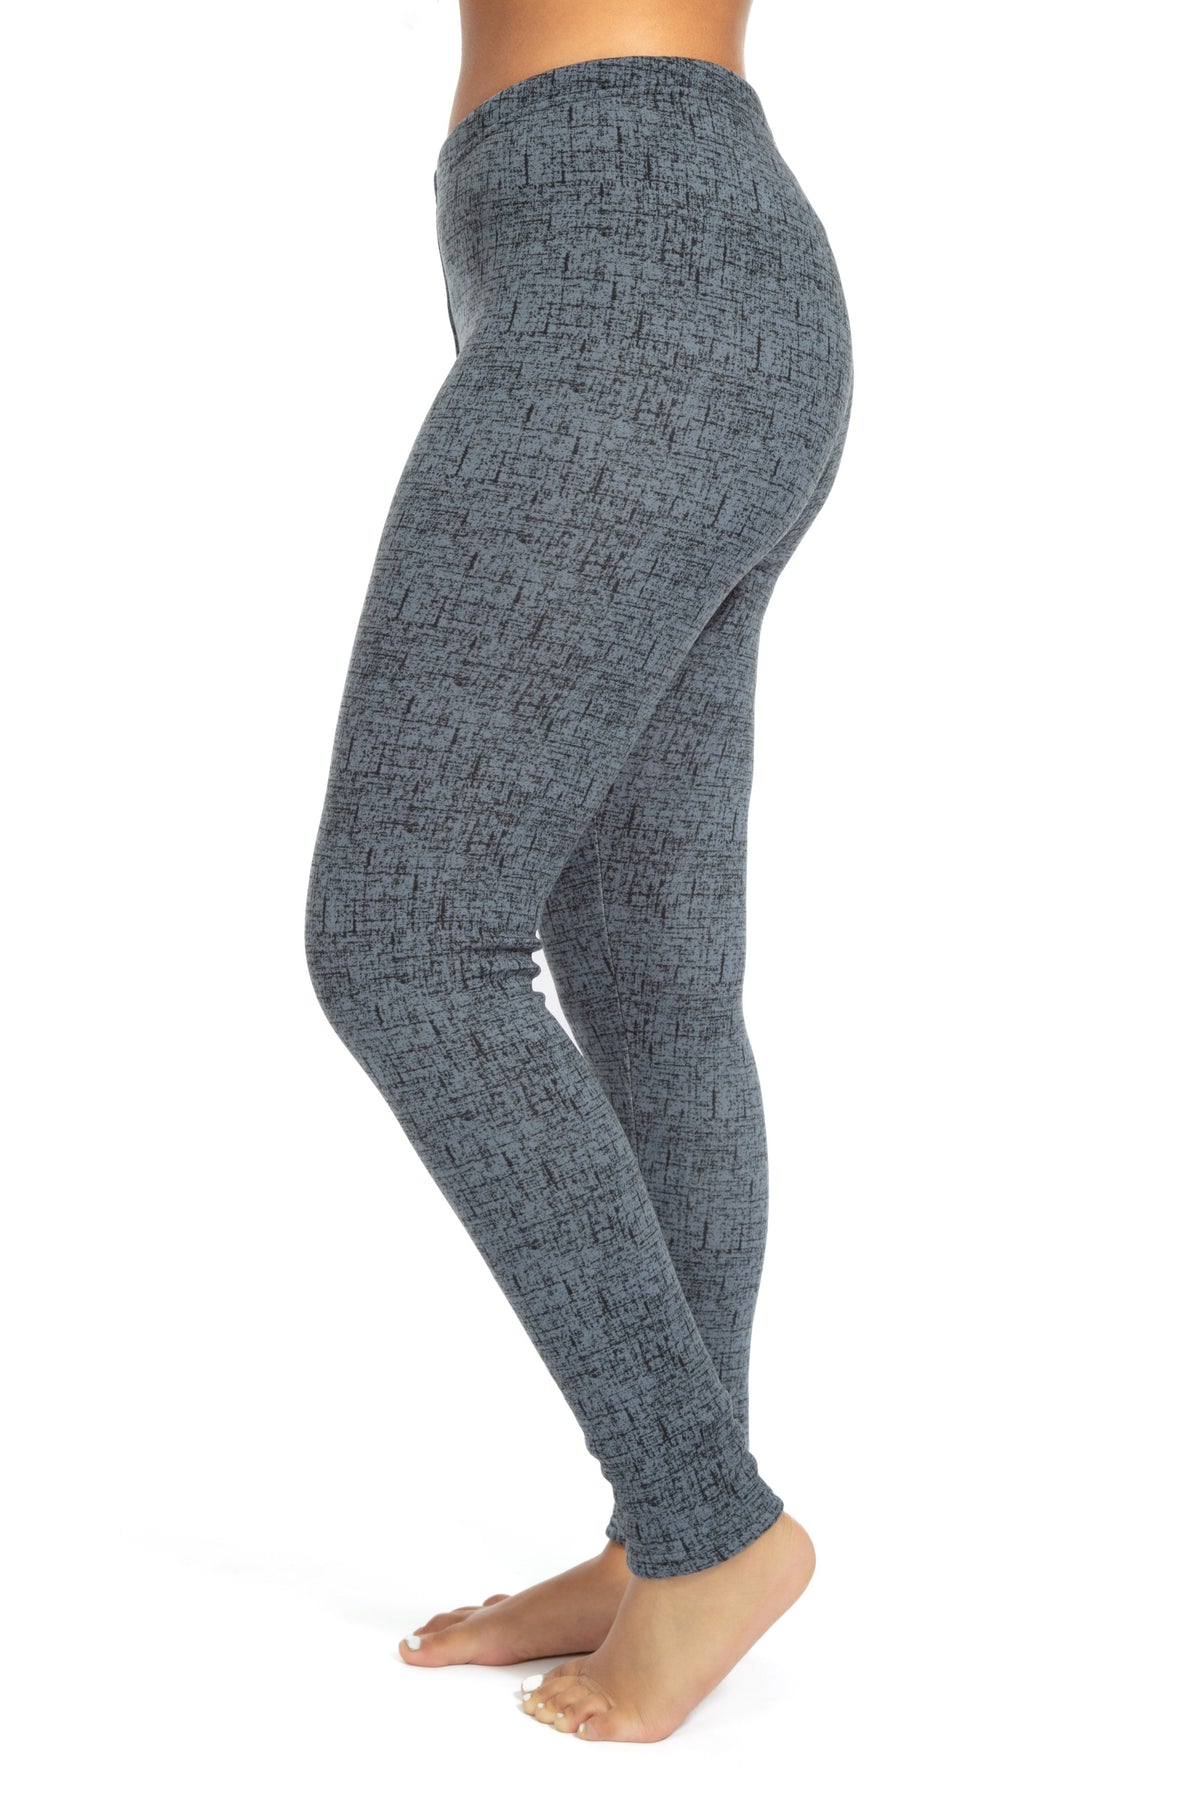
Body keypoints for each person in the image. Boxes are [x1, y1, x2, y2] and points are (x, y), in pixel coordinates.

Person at [304, 0, 853, 1743]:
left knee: (408, 945)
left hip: (630, 273)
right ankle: (666, 1532)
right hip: (661, 260)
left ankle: (708, 1529)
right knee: (647, 973)